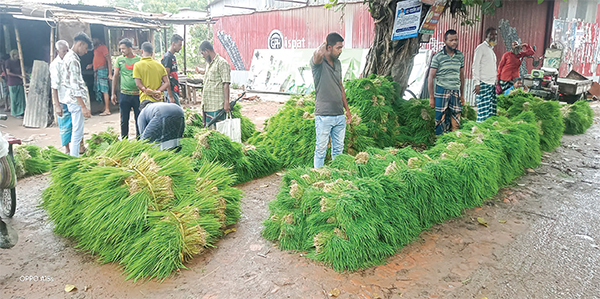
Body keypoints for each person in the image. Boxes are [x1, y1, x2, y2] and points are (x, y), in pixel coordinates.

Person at [310, 32, 352, 168]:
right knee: (321, 150)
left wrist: (348, 111)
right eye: (338, 48)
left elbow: (340, 87)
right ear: (328, 47)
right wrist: (325, 42)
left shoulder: (338, 63)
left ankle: (335, 178)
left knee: (338, 151)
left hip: (339, 115)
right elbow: (317, 54)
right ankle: (317, 179)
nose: (340, 51)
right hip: (324, 115)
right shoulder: (318, 63)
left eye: (341, 48)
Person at [428, 29, 465, 135]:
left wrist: (462, 95)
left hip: (456, 90)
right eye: (451, 40)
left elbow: (462, 75)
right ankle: (440, 141)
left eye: (456, 40)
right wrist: (431, 97)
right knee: (440, 118)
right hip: (442, 89)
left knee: (456, 116)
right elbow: (430, 77)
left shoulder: (460, 56)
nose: (454, 42)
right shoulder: (438, 57)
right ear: (445, 41)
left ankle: (454, 140)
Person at [63, 32, 93, 157]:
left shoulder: (68, 56)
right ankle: (75, 158)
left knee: (76, 130)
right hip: (75, 102)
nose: (85, 52)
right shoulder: (73, 59)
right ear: (80, 44)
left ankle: (74, 156)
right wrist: (83, 106)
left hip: (72, 100)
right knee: (77, 131)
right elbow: (75, 85)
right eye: (85, 48)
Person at [112, 38, 141, 139]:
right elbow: (115, 76)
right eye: (120, 49)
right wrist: (113, 93)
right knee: (124, 120)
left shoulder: (139, 59)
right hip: (124, 94)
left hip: (137, 94)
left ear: (130, 48)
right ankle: (124, 140)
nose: (122, 51)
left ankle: (140, 139)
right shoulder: (119, 60)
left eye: (123, 49)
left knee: (139, 118)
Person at [199, 41, 231, 126]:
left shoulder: (222, 63)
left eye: (203, 53)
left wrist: (226, 102)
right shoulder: (208, 64)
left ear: (207, 50)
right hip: (208, 104)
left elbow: (226, 83)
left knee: (219, 129)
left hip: (217, 104)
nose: (203, 56)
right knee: (210, 130)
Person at [50, 40, 73, 154]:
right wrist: (57, 105)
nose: (67, 52)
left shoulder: (70, 60)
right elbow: (54, 87)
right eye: (64, 51)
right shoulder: (55, 65)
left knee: (76, 123)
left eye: (68, 50)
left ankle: (80, 146)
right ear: (57, 51)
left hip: (73, 98)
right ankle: (67, 149)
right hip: (63, 99)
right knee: (64, 126)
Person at [472, 27, 498, 123]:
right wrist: (476, 83)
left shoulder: (491, 50)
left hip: (491, 84)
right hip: (483, 84)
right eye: (491, 34)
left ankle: (487, 130)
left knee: (490, 111)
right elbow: (475, 66)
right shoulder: (481, 48)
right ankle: (479, 131)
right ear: (486, 36)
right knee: (483, 112)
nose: (494, 37)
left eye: (495, 35)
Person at [87, 37, 112, 116]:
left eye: (94, 39)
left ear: (97, 39)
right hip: (97, 71)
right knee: (99, 90)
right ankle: (104, 107)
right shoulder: (96, 49)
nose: (93, 41)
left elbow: (109, 60)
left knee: (104, 90)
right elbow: (97, 59)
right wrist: (92, 65)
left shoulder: (103, 47)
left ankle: (107, 109)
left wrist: (110, 73)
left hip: (102, 70)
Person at [4, 50, 26, 118]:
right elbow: (8, 73)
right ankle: (15, 113)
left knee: (20, 98)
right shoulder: (8, 62)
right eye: (17, 55)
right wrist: (18, 75)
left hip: (19, 82)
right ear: (13, 55)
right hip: (12, 82)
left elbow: (22, 70)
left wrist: (24, 74)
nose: (18, 57)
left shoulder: (19, 61)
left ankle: (21, 112)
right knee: (14, 98)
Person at [161, 34, 182, 105]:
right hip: (171, 90)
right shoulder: (167, 57)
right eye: (179, 45)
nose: (180, 47)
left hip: (174, 88)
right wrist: (170, 96)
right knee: (176, 112)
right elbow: (166, 77)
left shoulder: (172, 56)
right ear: (173, 44)